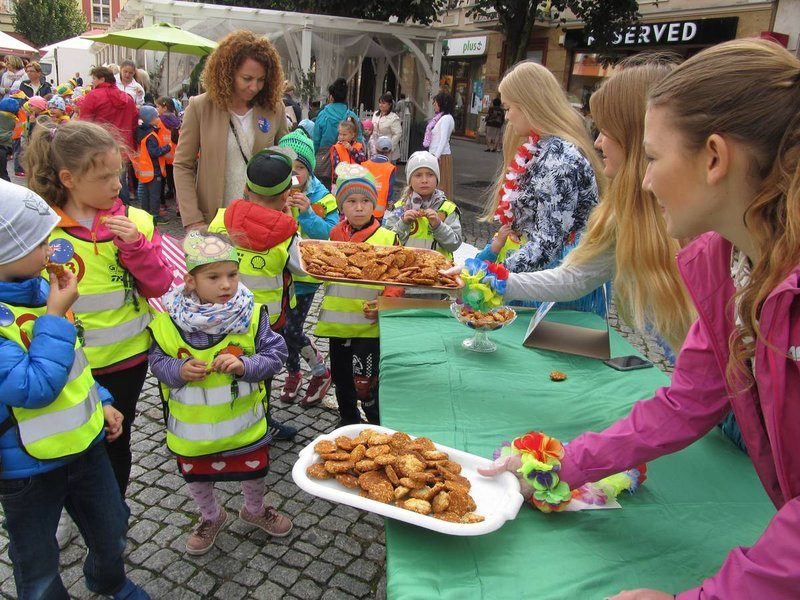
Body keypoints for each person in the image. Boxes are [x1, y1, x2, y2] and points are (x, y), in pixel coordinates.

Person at [483, 38, 800, 600]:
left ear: (714, 159)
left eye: (653, 157)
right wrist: (563, 463)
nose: (645, 180)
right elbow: (688, 397)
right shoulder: (730, 265)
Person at [0, 180, 150, 600]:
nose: (52, 248)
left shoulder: (40, 289)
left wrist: (101, 400)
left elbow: (74, 362)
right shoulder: (45, 304)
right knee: (37, 562)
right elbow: (33, 388)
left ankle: (109, 580)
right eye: (40, 242)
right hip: (28, 468)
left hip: (85, 446)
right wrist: (54, 315)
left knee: (113, 526)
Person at [25, 120, 173, 499]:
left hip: (126, 361)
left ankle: (111, 511)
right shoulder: (43, 231)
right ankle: (71, 510)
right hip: (67, 363)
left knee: (114, 440)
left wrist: (136, 248)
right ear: (68, 179)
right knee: (69, 438)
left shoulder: (135, 222)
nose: (117, 185)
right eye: (105, 177)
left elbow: (159, 284)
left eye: (118, 174)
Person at [149, 230, 292, 555]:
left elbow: (276, 355)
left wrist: (245, 366)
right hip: (192, 433)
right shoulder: (168, 323)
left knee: (253, 470)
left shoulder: (252, 314)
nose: (226, 284)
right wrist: (179, 371)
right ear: (191, 281)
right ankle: (210, 516)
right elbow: (157, 363)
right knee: (197, 478)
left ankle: (253, 509)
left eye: (232, 274)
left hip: (244, 428)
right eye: (213, 277)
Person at [208, 148, 305, 441]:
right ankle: (261, 423)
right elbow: (302, 268)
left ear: (246, 188)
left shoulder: (220, 219)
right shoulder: (287, 233)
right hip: (266, 320)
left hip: (221, 314)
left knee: (225, 366)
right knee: (261, 373)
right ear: (286, 194)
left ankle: (224, 422)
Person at [476, 61, 603, 283]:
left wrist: (487, 275)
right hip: (541, 278)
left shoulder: (559, 159)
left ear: (528, 105)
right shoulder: (542, 148)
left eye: (508, 108)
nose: (506, 117)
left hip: (553, 283)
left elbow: (546, 244)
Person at [173, 30, 288, 230]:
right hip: (212, 224)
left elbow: (286, 161)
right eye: (247, 78)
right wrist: (193, 220)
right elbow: (182, 166)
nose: (255, 87)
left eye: (261, 80)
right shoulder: (200, 107)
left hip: (262, 224)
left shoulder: (274, 109)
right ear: (227, 73)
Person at [315, 164, 399, 425]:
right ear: (342, 206)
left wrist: (385, 303)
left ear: (373, 204)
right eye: (352, 201)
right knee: (342, 379)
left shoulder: (387, 237)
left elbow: (397, 279)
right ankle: (348, 420)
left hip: (368, 327)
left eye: (365, 201)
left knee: (366, 382)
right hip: (338, 326)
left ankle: (376, 425)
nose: (359, 207)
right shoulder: (334, 234)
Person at [277, 129, 336, 406]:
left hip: (306, 275)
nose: (294, 174)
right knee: (280, 327)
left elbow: (331, 235)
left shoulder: (323, 197)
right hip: (279, 274)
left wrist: (308, 213)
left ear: (309, 170)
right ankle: (293, 372)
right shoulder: (274, 192)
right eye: (288, 168)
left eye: (300, 168)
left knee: (292, 328)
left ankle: (321, 370)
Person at [384, 150, 462, 260]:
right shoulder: (400, 208)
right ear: (410, 180)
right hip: (406, 270)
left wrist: (438, 226)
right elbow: (387, 243)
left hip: (439, 271)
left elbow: (454, 244)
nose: (424, 180)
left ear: (437, 179)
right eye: (418, 175)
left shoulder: (447, 209)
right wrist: (403, 223)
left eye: (430, 175)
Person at [79, 66, 139, 205]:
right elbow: (134, 122)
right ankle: (123, 208)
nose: (92, 81)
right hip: (123, 145)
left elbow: (84, 123)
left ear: (102, 79)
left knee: (100, 178)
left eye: (94, 78)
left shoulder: (93, 96)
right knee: (120, 177)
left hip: (99, 145)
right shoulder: (128, 98)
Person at [312, 77, 362, 190]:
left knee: (324, 195)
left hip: (324, 163)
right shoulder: (352, 117)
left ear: (331, 97)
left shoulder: (322, 115)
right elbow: (360, 142)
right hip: (348, 165)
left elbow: (315, 141)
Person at [134, 105, 171, 225]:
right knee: (154, 195)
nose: (158, 118)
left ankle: (145, 214)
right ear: (151, 118)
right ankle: (154, 216)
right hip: (154, 170)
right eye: (156, 117)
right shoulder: (151, 136)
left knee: (144, 194)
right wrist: (168, 147)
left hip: (144, 170)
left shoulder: (140, 132)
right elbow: (154, 152)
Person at [423, 92, 455, 201]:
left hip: (441, 155)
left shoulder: (446, 118)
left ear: (442, 103)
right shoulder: (440, 118)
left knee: (441, 185)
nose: (434, 105)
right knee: (435, 184)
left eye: (435, 102)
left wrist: (436, 156)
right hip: (435, 154)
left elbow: (443, 139)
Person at [362, 135, 397, 221]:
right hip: (380, 212)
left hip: (364, 207)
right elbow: (390, 189)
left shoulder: (365, 165)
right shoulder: (390, 168)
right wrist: (390, 204)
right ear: (390, 151)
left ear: (376, 150)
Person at [155, 97, 180, 215]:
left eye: (158, 106)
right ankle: (180, 208)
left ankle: (162, 204)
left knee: (161, 182)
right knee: (176, 184)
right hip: (176, 156)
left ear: (164, 108)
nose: (157, 109)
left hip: (163, 156)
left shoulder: (158, 121)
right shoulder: (177, 120)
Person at [330, 116, 366, 185]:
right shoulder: (337, 147)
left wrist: (352, 150)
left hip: (357, 181)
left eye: (344, 135)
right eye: (340, 134)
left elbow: (363, 160)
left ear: (352, 135)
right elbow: (337, 166)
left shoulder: (358, 146)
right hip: (341, 182)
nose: (342, 137)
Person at [370, 92, 402, 162]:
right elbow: (373, 130)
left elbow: (397, 134)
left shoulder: (394, 118)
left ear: (390, 104)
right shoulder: (376, 114)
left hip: (389, 152)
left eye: (383, 103)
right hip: (376, 149)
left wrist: (390, 148)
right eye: (380, 103)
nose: (381, 105)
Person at [0, 97, 17, 181]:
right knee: (3, 172)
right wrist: (10, 152)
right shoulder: (15, 120)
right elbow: (14, 136)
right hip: (4, 148)